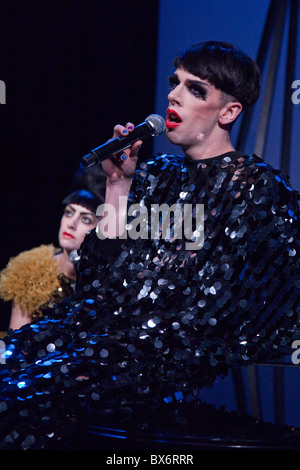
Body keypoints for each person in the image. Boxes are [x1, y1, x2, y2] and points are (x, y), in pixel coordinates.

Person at [0, 41, 299, 450]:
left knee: (20, 401)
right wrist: (118, 185)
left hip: (159, 352)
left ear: (229, 112)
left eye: (196, 90)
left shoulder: (253, 188)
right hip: (92, 332)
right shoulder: (155, 175)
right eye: (175, 83)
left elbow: (212, 307)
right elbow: (96, 286)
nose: (174, 95)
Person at [0, 188, 102, 331]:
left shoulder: (102, 282)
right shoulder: (29, 271)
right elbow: (17, 341)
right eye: (69, 213)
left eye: (85, 219)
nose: (71, 224)